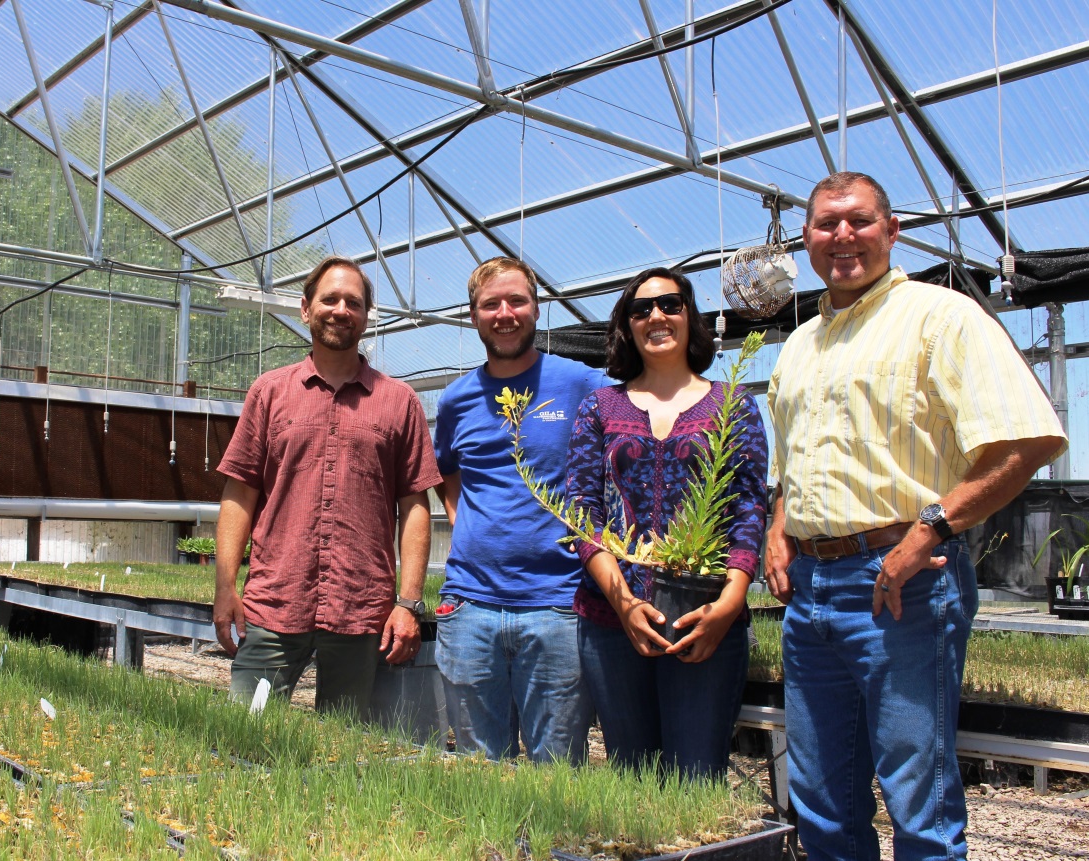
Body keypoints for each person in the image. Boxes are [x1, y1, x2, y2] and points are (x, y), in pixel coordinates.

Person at [765, 172, 1067, 860]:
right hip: (810, 592)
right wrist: (780, 527)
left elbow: (1027, 440)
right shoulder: (799, 345)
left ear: (892, 230)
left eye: (860, 221)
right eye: (825, 224)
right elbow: (793, 463)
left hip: (903, 578)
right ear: (805, 238)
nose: (842, 236)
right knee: (820, 795)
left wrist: (931, 525)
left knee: (916, 796)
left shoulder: (941, 316)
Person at [213, 254, 441, 717]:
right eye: (330, 298)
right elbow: (240, 494)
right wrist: (224, 586)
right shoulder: (270, 392)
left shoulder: (399, 402)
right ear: (305, 308)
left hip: (360, 609)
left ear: (365, 315)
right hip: (274, 602)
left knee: (341, 749)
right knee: (244, 732)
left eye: (353, 302)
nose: (341, 309)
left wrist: (409, 603)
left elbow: (415, 507)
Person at [564, 267, 768, 779]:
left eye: (671, 304)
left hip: (704, 620)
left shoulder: (733, 405)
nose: (656, 315)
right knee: (633, 780)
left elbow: (749, 507)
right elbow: (582, 512)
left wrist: (729, 603)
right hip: (613, 623)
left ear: (689, 316)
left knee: (696, 777)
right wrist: (623, 603)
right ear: (627, 326)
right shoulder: (599, 407)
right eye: (641, 309)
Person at [432, 256, 608, 763]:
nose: (504, 313)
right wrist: (465, 521)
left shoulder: (580, 384)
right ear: (473, 316)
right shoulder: (457, 399)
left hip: (558, 604)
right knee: (479, 768)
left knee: (559, 770)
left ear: (537, 308)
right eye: (491, 304)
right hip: (470, 607)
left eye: (517, 301)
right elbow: (446, 469)